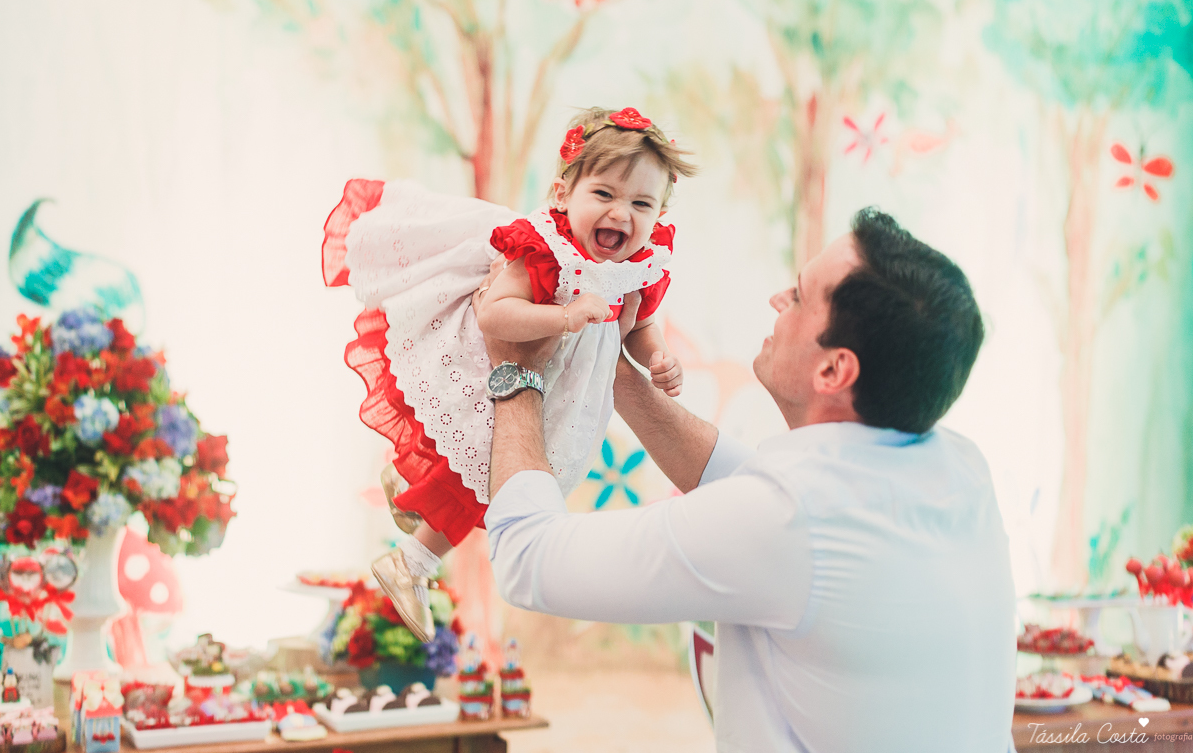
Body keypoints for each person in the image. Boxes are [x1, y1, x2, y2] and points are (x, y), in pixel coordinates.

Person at [478, 209, 1016, 752]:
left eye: (799, 296)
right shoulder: (958, 465)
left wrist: (517, 368)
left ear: (833, 370)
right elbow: (746, 484)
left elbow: (528, 556)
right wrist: (606, 366)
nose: (778, 300)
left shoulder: (788, 520)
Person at [321, 107, 697, 642]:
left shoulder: (639, 267)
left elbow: (639, 325)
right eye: (604, 194)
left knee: (492, 475)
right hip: (492, 361)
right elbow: (495, 314)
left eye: (641, 203)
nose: (621, 213)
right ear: (563, 194)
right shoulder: (544, 250)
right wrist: (565, 317)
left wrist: (657, 357)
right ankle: (410, 562)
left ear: (659, 214)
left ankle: (408, 491)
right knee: (482, 474)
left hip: (555, 389)